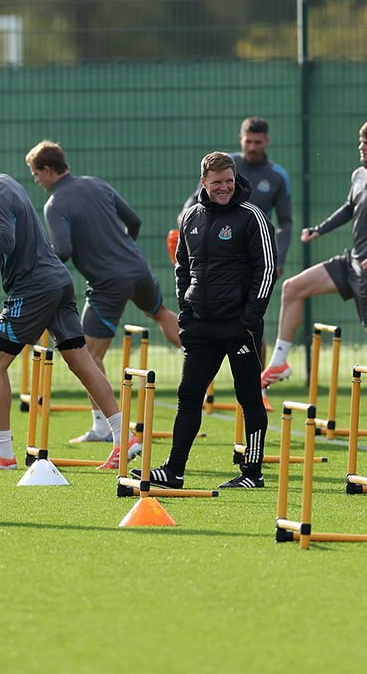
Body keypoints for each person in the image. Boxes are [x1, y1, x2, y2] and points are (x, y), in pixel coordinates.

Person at [0, 136, 131, 471]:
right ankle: (125, 438)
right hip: (57, 282)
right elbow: (7, 232)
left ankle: (3, 453)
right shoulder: (2, 183)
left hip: (33, 289)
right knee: (82, 361)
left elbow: (6, 241)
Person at [259, 118, 367, 425]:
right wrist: (318, 230)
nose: (361, 147)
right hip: (351, 262)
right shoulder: (360, 174)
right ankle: (278, 363)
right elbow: (349, 207)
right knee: (292, 289)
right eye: (360, 141)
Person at [135, 151, 275, 490]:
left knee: (249, 398)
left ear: (235, 177)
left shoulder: (251, 216)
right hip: (199, 326)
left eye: (229, 181)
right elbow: (183, 266)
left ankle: (252, 474)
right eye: (217, 183)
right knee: (188, 395)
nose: (224, 187)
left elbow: (266, 269)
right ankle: (175, 471)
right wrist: (185, 309)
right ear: (204, 183)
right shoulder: (190, 217)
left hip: (238, 327)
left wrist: (249, 319)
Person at [26, 140, 181, 444]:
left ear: (47, 169)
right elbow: (134, 221)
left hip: (107, 284)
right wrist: (123, 247)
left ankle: (102, 427)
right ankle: (201, 357)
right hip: (137, 267)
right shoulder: (97, 184)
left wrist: (41, 265)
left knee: (87, 355)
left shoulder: (55, 204)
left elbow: (64, 250)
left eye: (35, 173)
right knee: (161, 313)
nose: (36, 180)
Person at [176, 116, 294, 279]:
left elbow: (285, 222)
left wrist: (278, 260)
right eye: (248, 141)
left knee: (251, 298)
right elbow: (197, 196)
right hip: (218, 245)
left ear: (267, 141)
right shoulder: (226, 165)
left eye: (257, 142)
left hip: (254, 248)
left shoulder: (278, 176)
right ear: (241, 139)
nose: (252, 147)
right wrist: (185, 214)